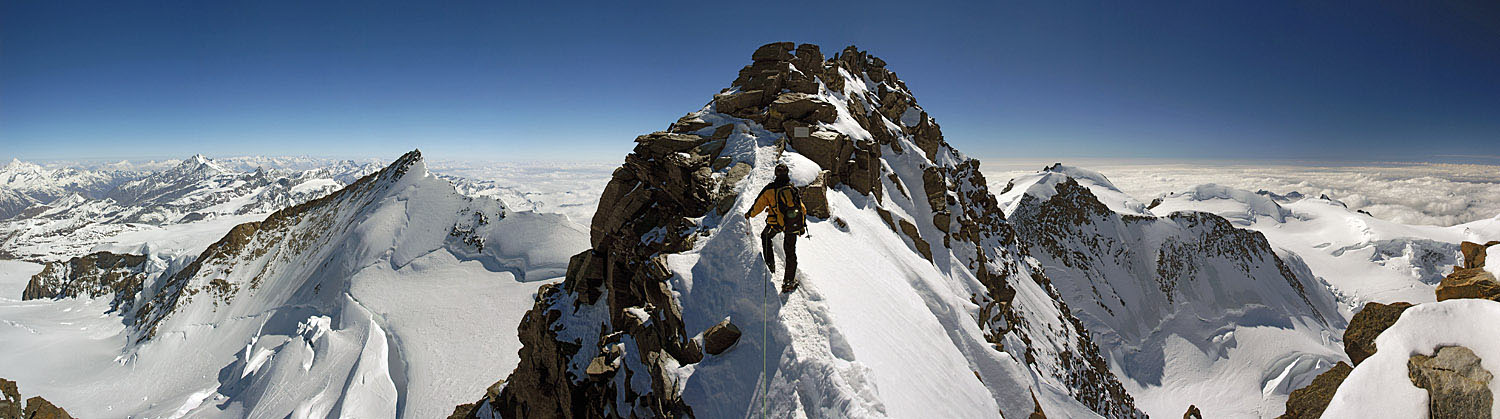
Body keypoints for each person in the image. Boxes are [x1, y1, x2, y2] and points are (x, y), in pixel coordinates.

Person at [746, 164, 807, 293]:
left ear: (775, 173)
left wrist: (749, 214)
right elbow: (802, 208)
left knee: (766, 236)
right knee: (790, 252)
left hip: (776, 223)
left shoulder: (770, 189)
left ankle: (770, 265)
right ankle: (788, 282)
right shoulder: (792, 188)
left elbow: (758, 205)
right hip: (792, 226)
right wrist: (800, 225)